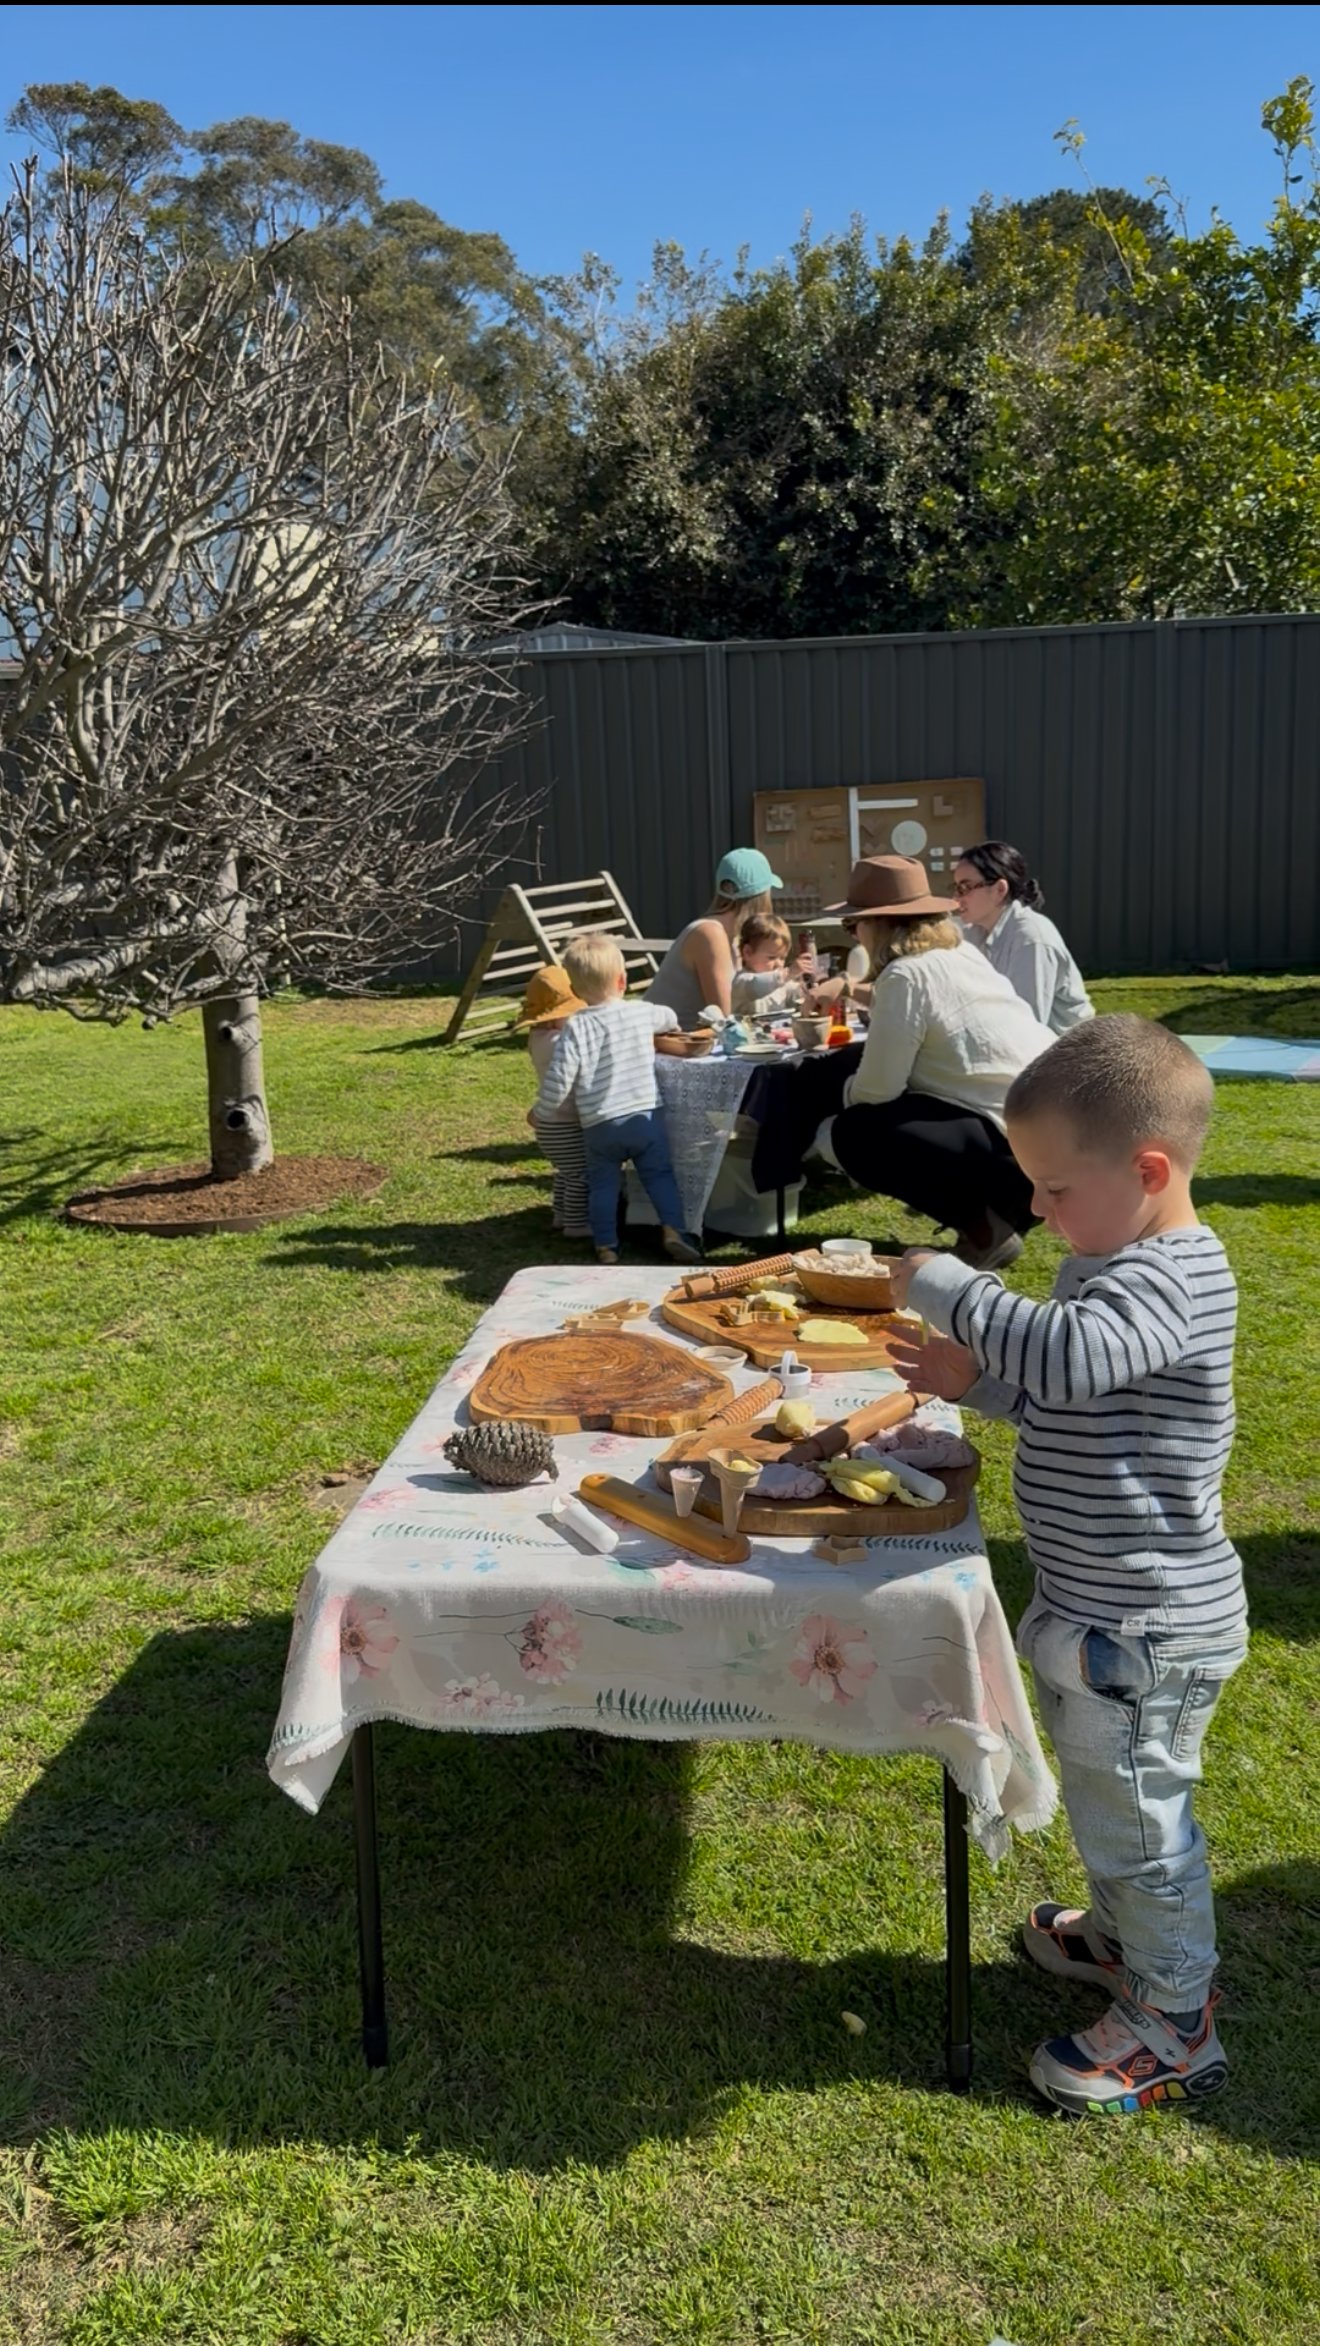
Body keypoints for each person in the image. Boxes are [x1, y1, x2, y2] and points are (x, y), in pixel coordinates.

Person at [889, 1016, 1246, 2117]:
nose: (1039, 1209)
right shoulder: (1111, 1264)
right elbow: (1065, 1387)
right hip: (1100, 1612)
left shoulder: (1170, 1277)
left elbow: (1072, 1353)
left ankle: (1173, 2021)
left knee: (1141, 1820)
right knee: (1108, 1802)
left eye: (1054, 1187)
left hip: (1147, 1626)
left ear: (1147, 1172)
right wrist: (976, 1383)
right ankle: (1123, 1941)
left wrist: (950, 1286)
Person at [759, 855, 1053, 1271]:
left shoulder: (905, 975)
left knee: (852, 1132)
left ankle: (985, 1229)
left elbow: (878, 1091)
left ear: (877, 924)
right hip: (1046, 1134)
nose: (854, 934)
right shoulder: (961, 956)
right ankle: (1001, 1218)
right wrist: (847, 990)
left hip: (1007, 1145)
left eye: (852, 924)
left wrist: (830, 1104)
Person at [535, 931, 702, 1267]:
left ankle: (606, 1245)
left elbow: (560, 1076)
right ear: (622, 980)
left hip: (600, 1122)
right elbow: (668, 1016)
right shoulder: (640, 1012)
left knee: (603, 1186)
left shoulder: (575, 1027)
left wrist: (543, 1111)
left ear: (575, 990)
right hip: (645, 1116)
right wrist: (664, 1021)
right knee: (659, 1176)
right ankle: (673, 1230)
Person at [954, 841, 1093, 1035]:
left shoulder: (1031, 939)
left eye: (965, 887)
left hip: (1063, 1056)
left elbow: (1026, 1026)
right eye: (956, 887)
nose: (956, 898)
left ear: (999, 890)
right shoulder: (975, 931)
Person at [645, 848, 788, 1028]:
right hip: (665, 1044)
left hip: (688, 1040)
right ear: (760, 897)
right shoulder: (710, 934)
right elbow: (723, 1018)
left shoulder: (732, 935)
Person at [518, 965, 591, 1240]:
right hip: (564, 1123)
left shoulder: (538, 1038)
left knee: (566, 1172)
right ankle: (576, 1223)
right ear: (554, 1019)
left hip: (548, 1124)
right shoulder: (561, 1042)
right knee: (580, 1175)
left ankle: (560, 1214)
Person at [730, 912, 806, 1018]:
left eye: (782, 958)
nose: (778, 964)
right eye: (771, 957)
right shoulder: (742, 981)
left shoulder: (780, 981)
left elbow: (795, 994)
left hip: (777, 1032)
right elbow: (757, 985)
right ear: (747, 952)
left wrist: (806, 988)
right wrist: (788, 973)